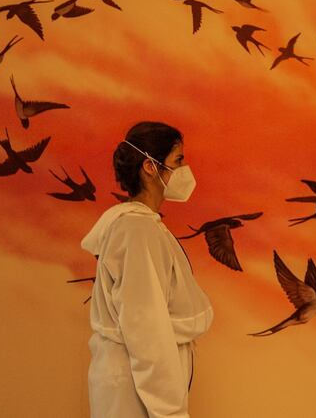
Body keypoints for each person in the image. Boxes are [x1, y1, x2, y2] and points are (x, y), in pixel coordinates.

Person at [81, 121, 214, 418]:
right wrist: (170, 412)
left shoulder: (142, 226)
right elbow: (145, 328)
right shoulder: (136, 230)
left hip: (133, 383)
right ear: (150, 167)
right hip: (134, 390)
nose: (185, 169)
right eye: (178, 160)